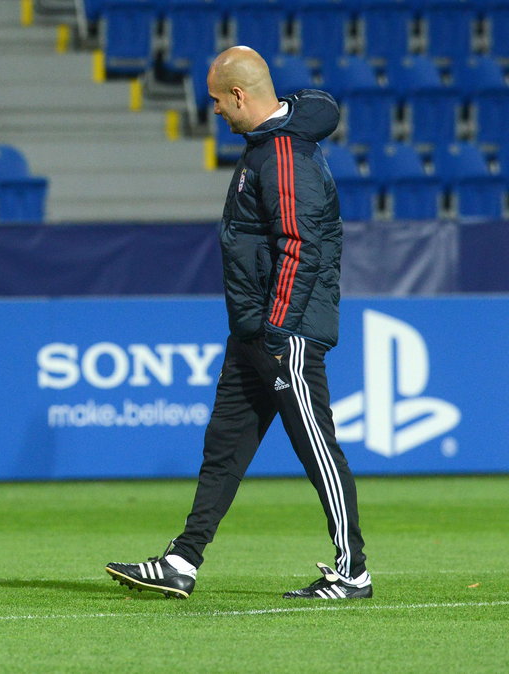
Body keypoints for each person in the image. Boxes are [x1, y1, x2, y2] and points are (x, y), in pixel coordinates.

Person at [105, 46, 370, 600]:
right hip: (254, 329)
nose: (216, 111)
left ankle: (353, 572)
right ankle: (182, 560)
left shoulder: (282, 157)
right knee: (224, 448)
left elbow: (301, 248)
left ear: (241, 95)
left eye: (219, 100)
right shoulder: (271, 146)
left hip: (282, 333)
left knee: (316, 446)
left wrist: (277, 331)